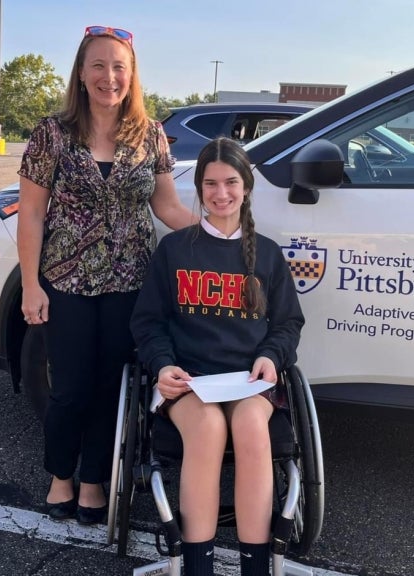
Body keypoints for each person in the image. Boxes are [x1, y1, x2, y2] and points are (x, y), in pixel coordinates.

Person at [16, 25, 196, 525]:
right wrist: (31, 284)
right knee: (69, 387)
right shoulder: (51, 133)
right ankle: (60, 477)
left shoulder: (150, 134)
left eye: (119, 66)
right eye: (98, 65)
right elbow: (31, 213)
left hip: (130, 283)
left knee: (110, 387)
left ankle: (94, 480)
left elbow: (167, 206)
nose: (108, 76)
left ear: (131, 74)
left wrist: (220, 233)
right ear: (80, 72)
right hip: (66, 282)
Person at [130, 137, 305, 576]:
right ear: (200, 188)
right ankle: (197, 566)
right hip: (189, 380)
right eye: (211, 183)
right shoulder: (174, 249)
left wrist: (271, 356)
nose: (221, 193)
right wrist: (162, 365)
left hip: (248, 380)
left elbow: (288, 323)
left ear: (246, 186)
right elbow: (148, 322)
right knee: (208, 428)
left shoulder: (266, 253)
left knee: (248, 425)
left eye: (230, 182)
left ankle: (256, 565)